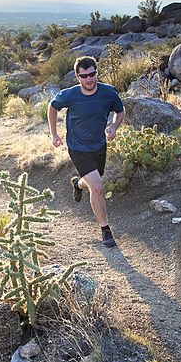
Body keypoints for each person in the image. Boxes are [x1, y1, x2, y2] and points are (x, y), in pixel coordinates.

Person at [48, 56, 125, 247]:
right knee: (98, 187)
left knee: (92, 182)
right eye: (84, 76)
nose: (89, 79)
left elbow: (120, 110)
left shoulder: (108, 92)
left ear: (96, 72)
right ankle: (105, 230)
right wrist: (54, 134)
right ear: (77, 76)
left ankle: (78, 184)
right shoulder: (69, 95)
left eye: (92, 74)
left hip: (99, 145)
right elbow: (52, 107)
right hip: (77, 147)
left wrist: (114, 127)